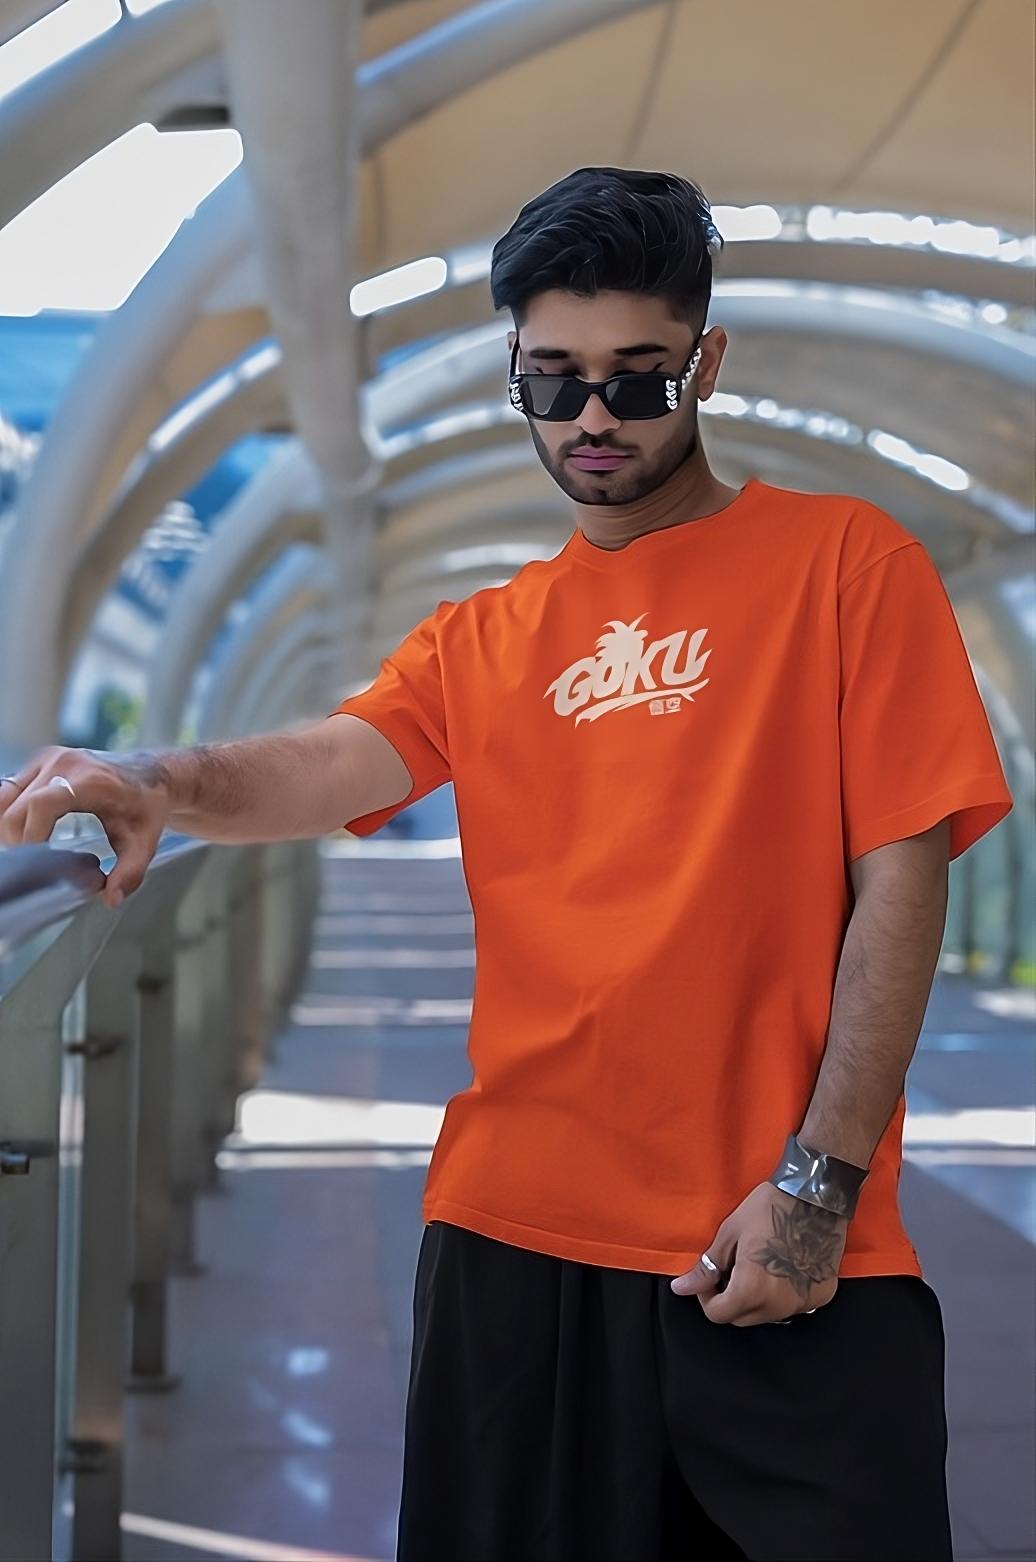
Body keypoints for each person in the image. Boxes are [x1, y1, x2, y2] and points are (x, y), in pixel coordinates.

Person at [0, 167, 1014, 1561]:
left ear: (705, 363)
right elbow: (336, 759)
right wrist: (151, 782)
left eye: (639, 379)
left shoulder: (847, 566)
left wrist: (819, 1188)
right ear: (514, 374)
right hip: (514, 1241)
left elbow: (907, 877)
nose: (594, 416)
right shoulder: (489, 634)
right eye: (556, 380)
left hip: (785, 1246)